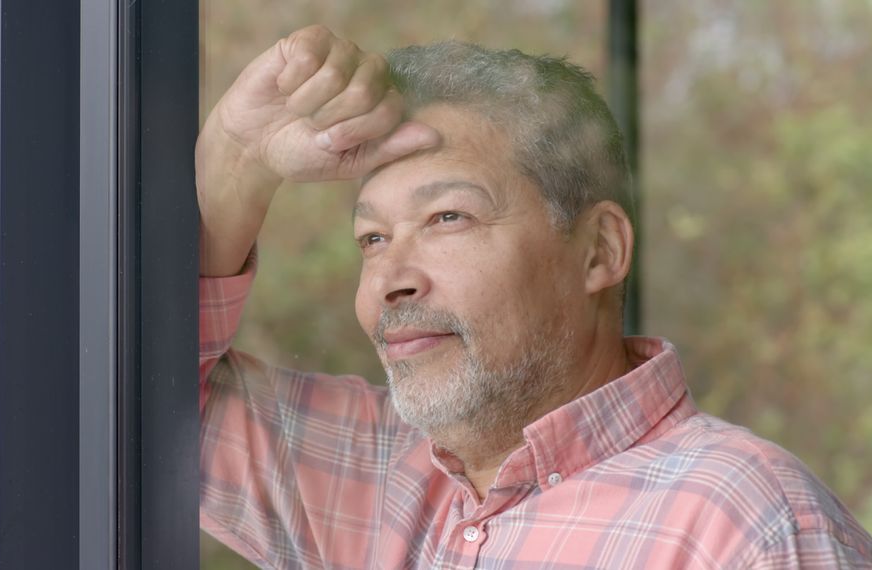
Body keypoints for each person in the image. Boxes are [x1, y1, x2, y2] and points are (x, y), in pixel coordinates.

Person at [196, 25, 872, 568]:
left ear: (599, 251)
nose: (390, 279)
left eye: (447, 219)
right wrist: (235, 158)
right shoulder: (370, 469)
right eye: (371, 238)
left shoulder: (745, 527)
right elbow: (123, 397)